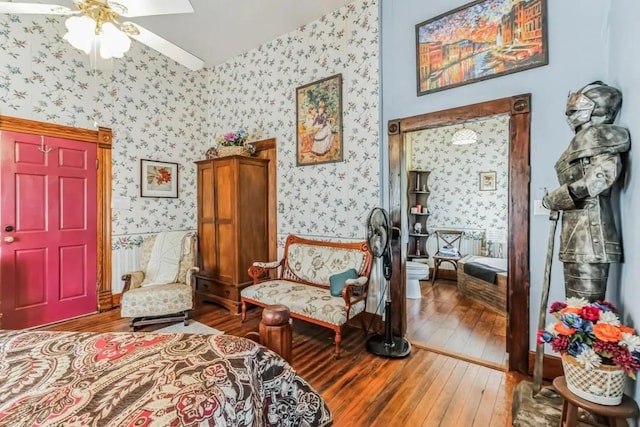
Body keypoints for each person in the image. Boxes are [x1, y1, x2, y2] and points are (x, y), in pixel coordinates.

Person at [543, 81, 630, 302]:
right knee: (577, 308)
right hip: (575, 230)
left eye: (573, 111)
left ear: (592, 109)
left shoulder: (597, 135)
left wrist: (558, 197)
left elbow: (600, 178)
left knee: (585, 309)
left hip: (591, 231)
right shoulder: (582, 139)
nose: (569, 117)